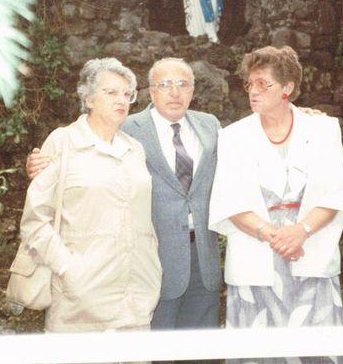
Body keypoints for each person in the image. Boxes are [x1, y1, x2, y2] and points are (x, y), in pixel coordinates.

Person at [27, 57, 223, 332]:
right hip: (96, 278)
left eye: (183, 84)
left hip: (159, 277)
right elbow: (38, 216)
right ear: (151, 91)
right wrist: (68, 268)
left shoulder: (203, 129)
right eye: (165, 84)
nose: (175, 92)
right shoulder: (116, 130)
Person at [208, 46, 343, 363]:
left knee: (316, 352)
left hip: (311, 252)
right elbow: (229, 201)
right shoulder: (233, 136)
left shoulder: (323, 129)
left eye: (263, 83)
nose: (253, 91)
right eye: (250, 83)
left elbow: (335, 193)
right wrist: (272, 235)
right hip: (255, 255)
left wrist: (301, 231)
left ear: (287, 87)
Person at [19, 58, 162, 333]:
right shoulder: (62, 142)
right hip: (79, 302)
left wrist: (152, 268)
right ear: (89, 98)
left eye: (127, 94)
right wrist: (68, 270)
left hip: (136, 299)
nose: (121, 100)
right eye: (111, 92)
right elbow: (35, 221)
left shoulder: (135, 149)